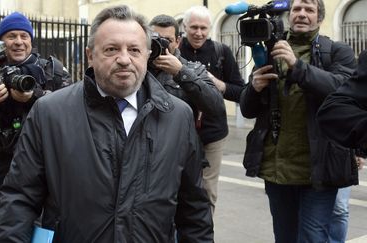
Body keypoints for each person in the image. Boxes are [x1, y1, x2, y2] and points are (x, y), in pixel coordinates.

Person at [0, 5, 213, 242]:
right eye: (111, 49)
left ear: (147, 56)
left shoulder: (178, 116)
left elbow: (194, 212)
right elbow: (19, 200)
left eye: (135, 50)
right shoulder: (49, 113)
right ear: (90, 55)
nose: (124, 59)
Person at [239, 0, 358, 242]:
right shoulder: (271, 51)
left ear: (319, 18)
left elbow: (342, 90)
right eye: (297, 9)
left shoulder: (337, 51)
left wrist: (297, 66)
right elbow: (247, 109)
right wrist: (253, 88)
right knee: (284, 236)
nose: (302, 14)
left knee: (313, 237)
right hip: (277, 169)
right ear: (289, 15)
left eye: (309, 10)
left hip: (319, 169)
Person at [0, 12, 72, 243]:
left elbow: (72, 123)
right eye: (11, 36)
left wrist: (34, 97)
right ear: (1, 42)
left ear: (31, 39)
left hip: (48, 185)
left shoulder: (55, 74)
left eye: (23, 35)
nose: (19, 41)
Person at [178, 5, 245, 213]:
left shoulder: (221, 52)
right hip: (180, 132)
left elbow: (240, 92)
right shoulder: (175, 52)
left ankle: (203, 234)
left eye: (204, 28)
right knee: (178, 188)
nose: (199, 33)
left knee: (207, 191)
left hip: (213, 133)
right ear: (184, 26)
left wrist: (217, 83)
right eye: (194, 27)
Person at [148, 13, 225, 185]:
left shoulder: (193, 69)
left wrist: (180, 72)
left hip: (181, 155)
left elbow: (216, 107)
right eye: (155, 38)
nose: (160, 44)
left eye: (166, 39)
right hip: (146, 154)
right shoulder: (137, 68)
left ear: (177, 41)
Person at [317, 49, 367, 243]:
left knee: (339, 210)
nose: (301, 15)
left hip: (336, 155)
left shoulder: (340, 52)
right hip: (318, 156)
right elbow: (335, 108)